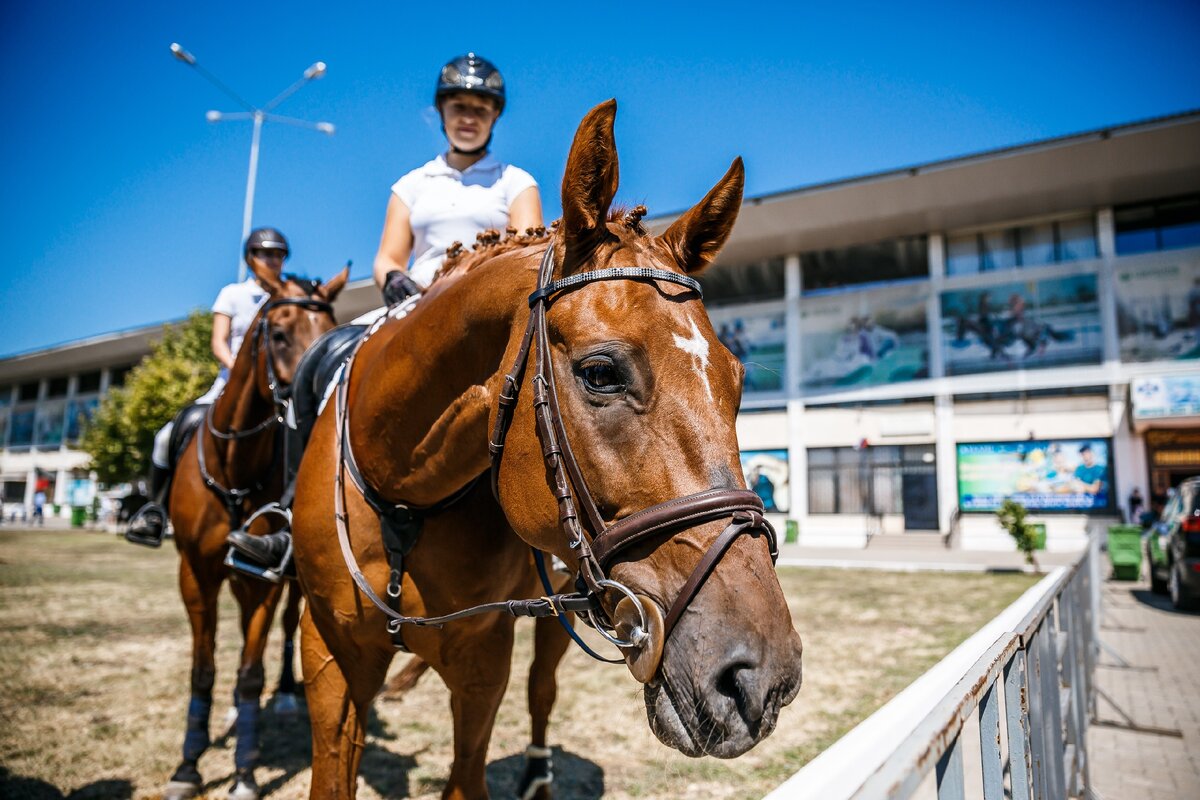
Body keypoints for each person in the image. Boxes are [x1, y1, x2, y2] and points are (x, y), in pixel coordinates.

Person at [229, 53, 543, 573]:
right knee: (319, 362)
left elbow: (527, 248)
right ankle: (286, 515)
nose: (469, 116)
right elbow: (387, 258)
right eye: (459, 106)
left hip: (486, 316)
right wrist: (394, 279)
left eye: (481, 109)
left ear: (495, 117)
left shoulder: (516, 181)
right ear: (441, 112)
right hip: (413, 303)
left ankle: (553, 538)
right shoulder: (411, 184)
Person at [125, 228, 291, 547]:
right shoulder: (232, 294)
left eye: (278, 254)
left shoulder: (286, 295)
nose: (273, 260)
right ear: (250, 258)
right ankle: (155, 510)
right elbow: (219, 343)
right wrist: (243, 374)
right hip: (229, 385)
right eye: (265, 253)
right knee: (163, 438)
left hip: (277, 391)